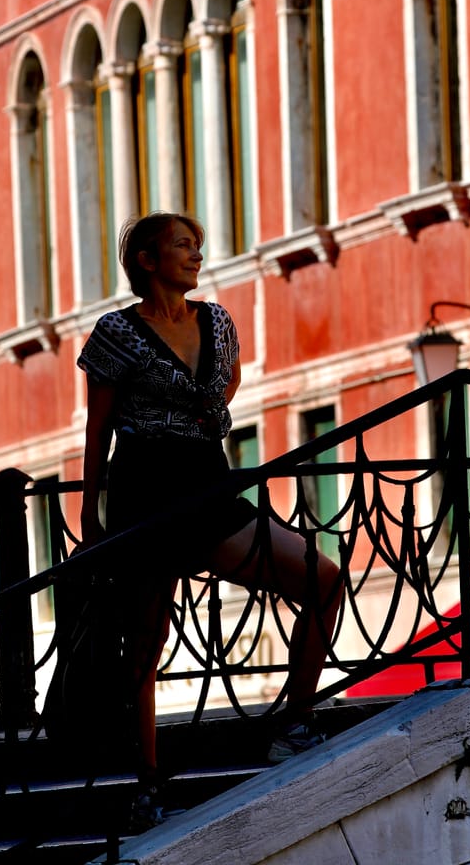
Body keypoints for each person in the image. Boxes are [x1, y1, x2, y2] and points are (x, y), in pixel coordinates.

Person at [78, 212, 342, 829]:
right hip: (143, 489)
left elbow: (225, 387)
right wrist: (89, 509)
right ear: (147, 260)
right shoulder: (115, 333)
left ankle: (295, 725)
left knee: (321, 578)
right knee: (145, 641)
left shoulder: (217, 321)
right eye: (181, 246)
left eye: (197, 246)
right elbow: (97, 426)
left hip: (208, 481)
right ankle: (146, 782)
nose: (195, 256)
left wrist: (194, 418)